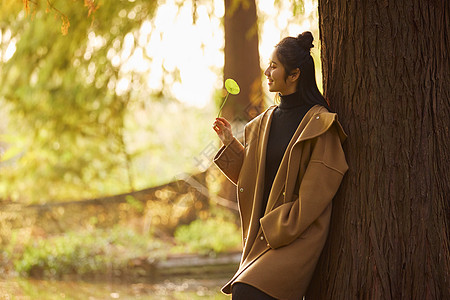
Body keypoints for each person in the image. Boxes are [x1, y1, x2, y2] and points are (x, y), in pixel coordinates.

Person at [212, 31, 348, 300]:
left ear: (294, 74)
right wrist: (229, 144)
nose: (267, 71)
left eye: (274, 66)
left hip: (297, 236)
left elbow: (314, 198)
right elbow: (253, 179)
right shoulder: (263, 123)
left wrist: (277, 227)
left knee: (246, 291)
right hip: (263, 236)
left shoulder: (321, 125)